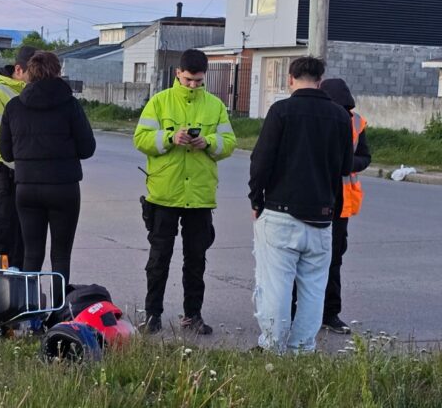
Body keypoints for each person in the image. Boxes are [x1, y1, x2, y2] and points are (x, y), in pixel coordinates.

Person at [249, 57, 353, 353]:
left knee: (276, 287)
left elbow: (261, 161)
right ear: (321, 81)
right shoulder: (341, 117)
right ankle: (302, 350)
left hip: (281, 212)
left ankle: (272, 347)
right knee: (313, 289)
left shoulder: (281, 111)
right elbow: (345, 167)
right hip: (323, 217)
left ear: (290, 80)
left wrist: (256, 199)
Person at [133, 49, 236, 335]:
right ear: (178, 73)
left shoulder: (215, 105)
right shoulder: (159, 102)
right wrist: (169, 137)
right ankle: (153, 314)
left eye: (199, 81)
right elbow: (140, 139)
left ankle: (193, 315)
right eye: (189, 79)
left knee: (196, 260)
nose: (193, 85)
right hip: (164, 193)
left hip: (200, 197)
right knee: (158, 259)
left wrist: (209, 142)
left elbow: (229, 142)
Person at [0, 51, 95, 305]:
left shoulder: (14, 106)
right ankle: (58, 310)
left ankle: (31, 312)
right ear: (58, 71)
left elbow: (6, 151)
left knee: (32, 252)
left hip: (27, 188)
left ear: (29, 73)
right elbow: (88, 149)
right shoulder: (70, 105)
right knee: (61, 254)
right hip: (64, 188)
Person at [317, 78, 371, 334]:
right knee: (306, 259)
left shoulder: (357, 123)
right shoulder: (317, 118)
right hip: (315, 197)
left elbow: (365, 157)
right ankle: (298, 312)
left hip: (342, 203)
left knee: (334, 259)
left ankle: (330, 314)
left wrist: (347, 163)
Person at [0, 46, 36, 270]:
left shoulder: (28, 91)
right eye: (34, 71)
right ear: (19, 69)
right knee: (0, 236)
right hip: (3, 175)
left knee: (21, 240)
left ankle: (17, 296)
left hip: (23, 175)